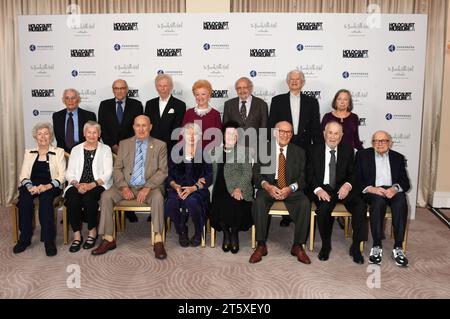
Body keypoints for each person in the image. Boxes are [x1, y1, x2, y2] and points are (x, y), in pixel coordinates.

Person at [92, 115, 168, 259]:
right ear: (133, 127)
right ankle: (108, 238)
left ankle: (158, 239)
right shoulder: (124, 144)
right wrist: (123, 187)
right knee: (106, 196)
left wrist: (147, 187)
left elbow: (162, 171)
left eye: (144, 125)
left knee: (158, 197)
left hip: (150, 187)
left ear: (150, 127)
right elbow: (117, 168)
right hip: (126, 185)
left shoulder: (160, 145)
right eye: (138, 125)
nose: (141, 129)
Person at [250, 121, 311, 264]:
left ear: (292, 134)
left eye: (288, 132)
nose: (284, 134)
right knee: (259, 201)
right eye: (281, 131)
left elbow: (303, 178)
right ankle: (261, 245)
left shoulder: (299, 152)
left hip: (289, 187)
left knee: (304, 202)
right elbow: (256, 174)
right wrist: (268, 187)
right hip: (269, 187)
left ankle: (298, 245)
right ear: (274, 133)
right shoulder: (263, 149)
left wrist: (291, 188)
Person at [268, 70, 322, 227]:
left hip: (304, 145)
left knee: (301, 177)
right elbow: (272, 125)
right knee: (284, 173)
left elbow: (316, 128)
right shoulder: (277, 100)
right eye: (291, 79)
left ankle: (299, 213)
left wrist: (317, 148)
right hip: (283, 142)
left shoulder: (312, 102)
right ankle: (286, 215)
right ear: (287, 82)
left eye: (298, 79)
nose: (294, 81)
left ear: (303, 82)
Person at [306, 121, 366, 264]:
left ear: (341, 135)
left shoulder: (348, 150)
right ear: (324, 134)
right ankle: (326, 245)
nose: (332, 137)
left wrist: (347, 185)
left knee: (360, 206)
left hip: (341, 187)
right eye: (330, 133)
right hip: (323, 188)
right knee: (323, 209)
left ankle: (356, 246)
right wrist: (318, 190)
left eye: (336, 133)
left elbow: (352, 173)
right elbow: (309, 174)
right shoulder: (314, 150)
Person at [356, 130, 411, 267]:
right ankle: (376, 246)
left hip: (392, 189)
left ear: (390, 143)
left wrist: (395, 188)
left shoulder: (398, 157)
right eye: (376, 141)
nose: (379, 144)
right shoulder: (362, 155)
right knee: (378, 202)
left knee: (401, 202)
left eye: (383, 141)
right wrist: (372, 189)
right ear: (372, 143)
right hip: (373, 190)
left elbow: (405, 182)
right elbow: (356, 179)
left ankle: (398, 247)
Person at [13, 122, 66, 256]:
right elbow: (23, 175)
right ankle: (24, 239)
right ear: (35, 137)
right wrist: (31, 187)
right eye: (39, 134)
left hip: (50, 185)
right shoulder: (29, 152)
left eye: (46, 133)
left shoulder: (58, 152)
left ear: (51, 136)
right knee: (24, 201)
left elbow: (62, 176)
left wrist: (46, 186)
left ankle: (49, 241)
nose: (43, 136)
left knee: (45, 203)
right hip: (31, 185)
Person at [98, 79, 143, 222]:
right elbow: (102, 128)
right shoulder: (104, 105)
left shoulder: (136, 105)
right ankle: (114, 209)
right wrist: (112, 145)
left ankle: (129, 209)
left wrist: (124, 146)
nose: (120, 91)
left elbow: (138, 127)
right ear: (113, 90)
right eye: (117, 88)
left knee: (128, 175)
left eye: (122, 88)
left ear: (127, 89)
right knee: (113, 177)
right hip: (110, 149)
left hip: (130, 148)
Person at [64, 121, 113, 253]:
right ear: (84, 133)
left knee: (89, 199)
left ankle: (92, 232)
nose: (92, 135)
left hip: (98, 183)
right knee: (72, 199)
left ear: (99, 134)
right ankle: (77, 235)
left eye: (95, 132)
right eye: (89, 132)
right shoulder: (76, 149)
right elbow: (69, 172)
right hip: (78, 183)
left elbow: (108, 172)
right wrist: (76, 184)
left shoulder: (105, 149)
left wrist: (92, 184)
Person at [321, 89, 364, 230]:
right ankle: (331, 214)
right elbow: (323, 138)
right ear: (335, 100)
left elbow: (356, 139)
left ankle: (343, 214)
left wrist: (366, 154)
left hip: (347, 158)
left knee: (348, 186)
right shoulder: (327, 116)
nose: (342, 102)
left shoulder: (354, 117)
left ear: (349, 102)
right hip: (332, 157)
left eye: (346, 99)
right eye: (340, 99)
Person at [165, 123, 212, 247]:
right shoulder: (176, 152)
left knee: (192, 201)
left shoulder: (204, 153)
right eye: (188, 133)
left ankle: (198, 232)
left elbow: (210, 176)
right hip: (178, 188)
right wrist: (175, 186)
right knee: (171, 202)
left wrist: (194, 187)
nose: (191, 136)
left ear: (199, 136)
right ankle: (182, 230)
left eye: (194, 134)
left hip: (197, 189)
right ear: (183, 135)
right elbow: (168, 174)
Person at [210, 121, 254, 254]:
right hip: (219, 186)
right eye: (229, 133)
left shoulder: (243, 151)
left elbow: (248, 173)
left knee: (235, 203)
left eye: (235, 134)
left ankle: (234, 233)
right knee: (219, 202)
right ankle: (226, 234)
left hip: (239, 186)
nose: (232, 136)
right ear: (223, 135)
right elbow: (210, 172)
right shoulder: (215, 151)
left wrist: (239, 188)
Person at [144, 74, 186, 151]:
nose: (162, 88)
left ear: (171, 87)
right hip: (152, 146)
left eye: (165, 85)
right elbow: (147, 126)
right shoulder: (149, 104)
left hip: (171, 147)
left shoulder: (180, 105)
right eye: (160, 86)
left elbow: (177, 128)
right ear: (156, 87)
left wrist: (163, 145)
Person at [52, 88, 96, 153]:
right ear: (63, 100)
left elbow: (93, 137)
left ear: (78, 99)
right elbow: (58, 138)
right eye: (67, 98)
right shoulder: (57, 116)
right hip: (63, 153)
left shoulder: (89, 116)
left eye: (73, 98)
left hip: (84, 151)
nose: (70, 101)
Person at [181, 79, 222, 149]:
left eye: (203, 94)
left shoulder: (215, 114)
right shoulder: (189, 113)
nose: (200, 97)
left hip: (209, 155)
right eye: (197, 94)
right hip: (191, 154)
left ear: (209, 95)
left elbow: (218, 138)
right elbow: (182, 136)